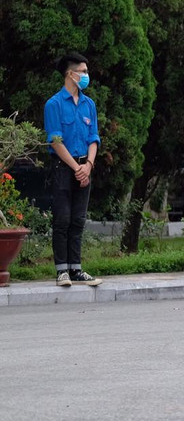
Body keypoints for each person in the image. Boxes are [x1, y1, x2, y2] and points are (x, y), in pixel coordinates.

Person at [43, 52, 102, 287]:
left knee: (78, 219)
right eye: (83, 71)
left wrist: (88, 165)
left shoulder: (89, 105)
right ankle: (62, 271)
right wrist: (76, 167)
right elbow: (55, 141)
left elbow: (94, 138)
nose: (86, 75)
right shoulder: (54, 104)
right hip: (64, 167)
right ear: (70, 73)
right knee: (63, 219)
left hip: (84, 167)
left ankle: (76, 269)